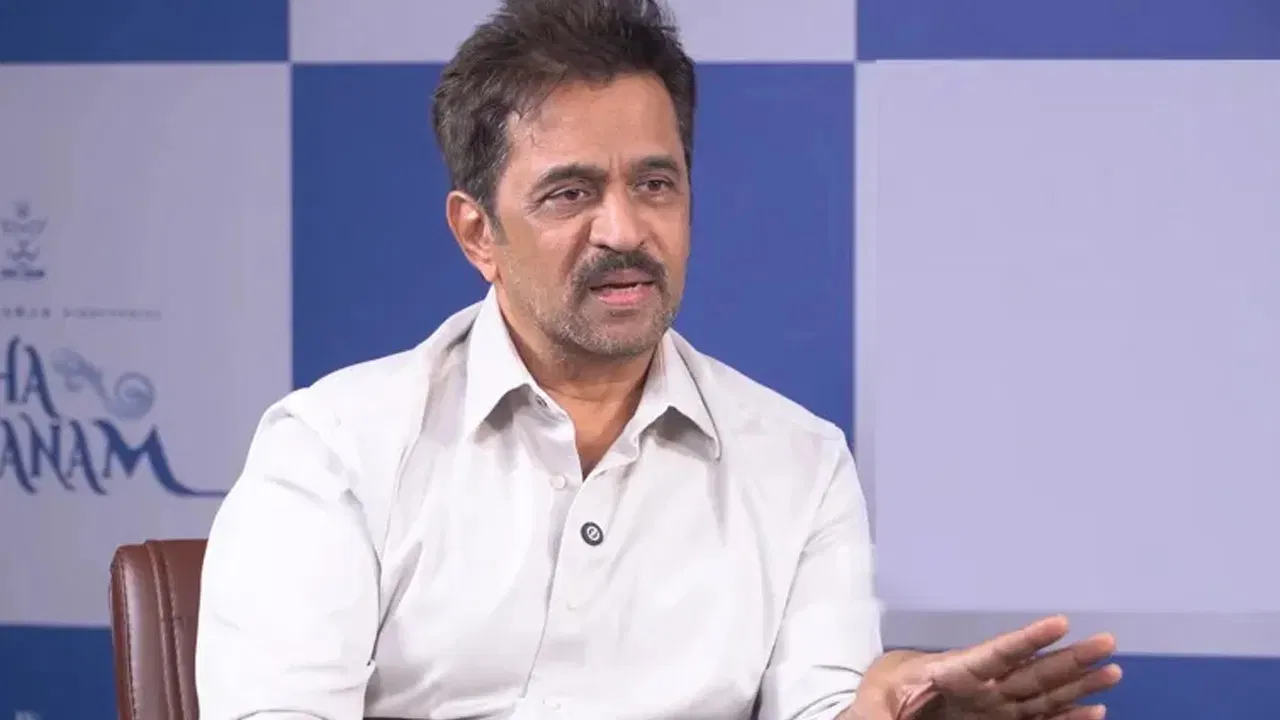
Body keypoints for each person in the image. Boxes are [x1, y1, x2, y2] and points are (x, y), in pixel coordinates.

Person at [194, 0, 1122, 718]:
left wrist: (877, 712)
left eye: (654, 183)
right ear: (477, 234)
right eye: (569, 193)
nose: (625, 230)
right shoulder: (332, 451)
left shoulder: (801, 465)